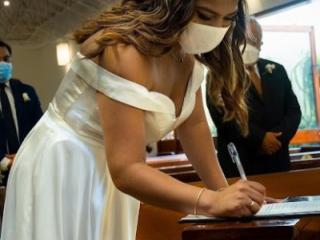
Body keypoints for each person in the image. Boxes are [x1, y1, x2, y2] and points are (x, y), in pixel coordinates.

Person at [2, 1, 268, 240]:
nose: (215, 29)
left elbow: (193, 126)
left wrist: (228, 195)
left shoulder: (186, 54)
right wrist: (209, 201)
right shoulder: (124, 50)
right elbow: (127, 169)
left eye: (227, 19)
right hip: (64, 164)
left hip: (114, 167)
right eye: (205, 15)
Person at [207, 18, 301, 177]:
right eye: (246, 39)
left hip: (277, 162)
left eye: (255, 41)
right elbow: (222, 116)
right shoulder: (219, 73)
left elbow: (293, 111)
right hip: (240, 164)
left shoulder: (277, 70)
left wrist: (276, 139)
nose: (250, 45)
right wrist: (260, 139)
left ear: (260, 44)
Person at [0, 40, 43, 186]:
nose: (2, 64)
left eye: (6, 59)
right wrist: (5, 162)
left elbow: (40, 130)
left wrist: (22, 158)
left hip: (27, 168)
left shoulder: (26, 91)